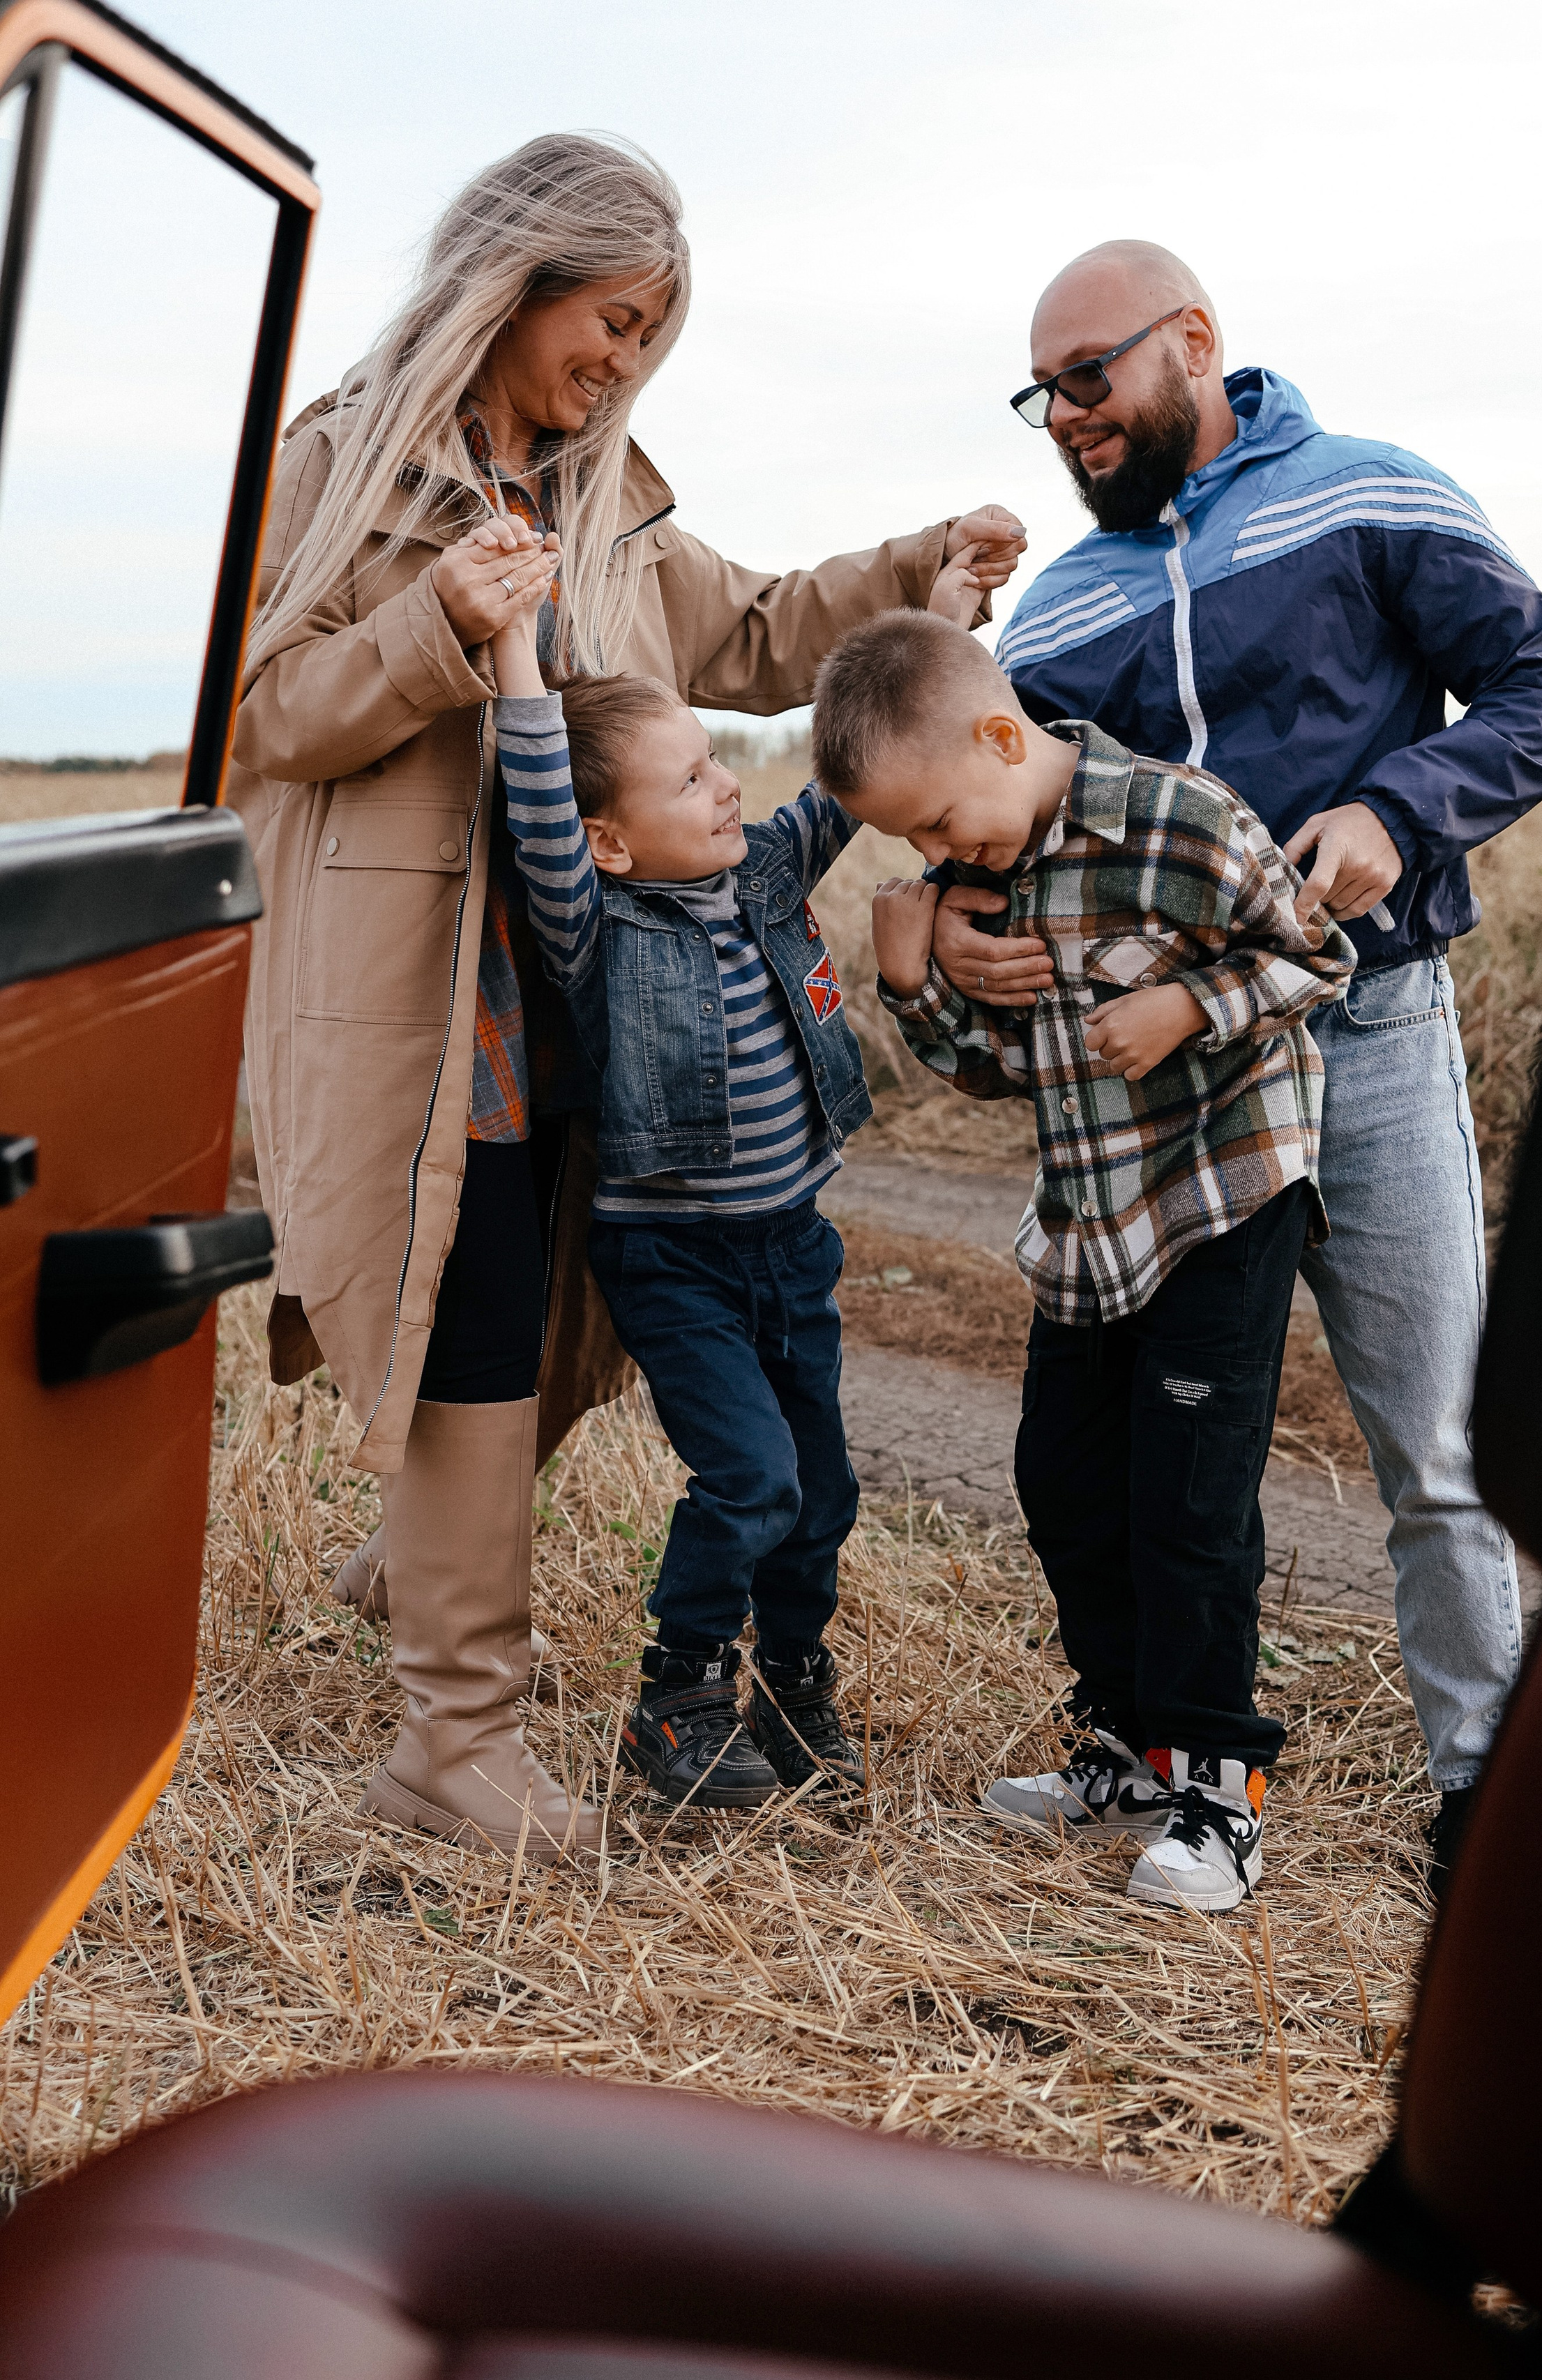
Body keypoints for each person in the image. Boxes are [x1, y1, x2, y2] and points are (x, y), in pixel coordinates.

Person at [228, 130, 1025, 1860]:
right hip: (427, 998)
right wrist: (433, 623)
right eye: (608, 319)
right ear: (506, 286)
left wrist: (915, 567)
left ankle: (432, 1547)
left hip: (611, 996)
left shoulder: (602, 502)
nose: (623, 361)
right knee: (474, 1303)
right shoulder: (335, 474)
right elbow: (265, 716)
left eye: (651, 335)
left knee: (566, 1311)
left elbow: (748, 629)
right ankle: (453, 1740)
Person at [934, 241, 1542, 1884]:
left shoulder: (1370, 492)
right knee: (1146, 1449)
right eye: (1042, 397)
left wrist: (1396, 808)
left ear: (1191, 345)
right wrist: (945, 914)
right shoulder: (1070, 600)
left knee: (1432, 1439)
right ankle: (1144, 1761)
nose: (1064, 420)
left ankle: (1483, 1791)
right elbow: (1001, 806)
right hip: (1166, 1079)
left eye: (1086, 380)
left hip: (1362, 1030)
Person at [810, 609, 1354, 1911]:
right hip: (1092, 1211)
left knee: (1188, 1502)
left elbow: (1317, 956)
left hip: (1224, 1189)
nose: (940, 857)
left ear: (1003, 735)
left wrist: (1186, 1004)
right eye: (917, 844)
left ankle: (1219, 1791)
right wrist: (912, 985)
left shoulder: (1181, 818)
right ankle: (1120, 1747)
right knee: (1061, 1478)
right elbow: (996, 1072)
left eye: (940, 822)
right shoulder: (986, 879)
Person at [462, 528, 988, 1807]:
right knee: (749, 1474)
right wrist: (514, 655)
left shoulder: (765, 870)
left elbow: (857, 785)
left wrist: (956, 619)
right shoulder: (597, 926)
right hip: (676, 1259)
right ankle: (677, 1695)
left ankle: (794, 1684)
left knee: (821, 1489)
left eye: (714, 762)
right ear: (615, 843)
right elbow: (541, 808)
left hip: (792, 1244)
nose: (724, 788)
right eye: (690, 779)